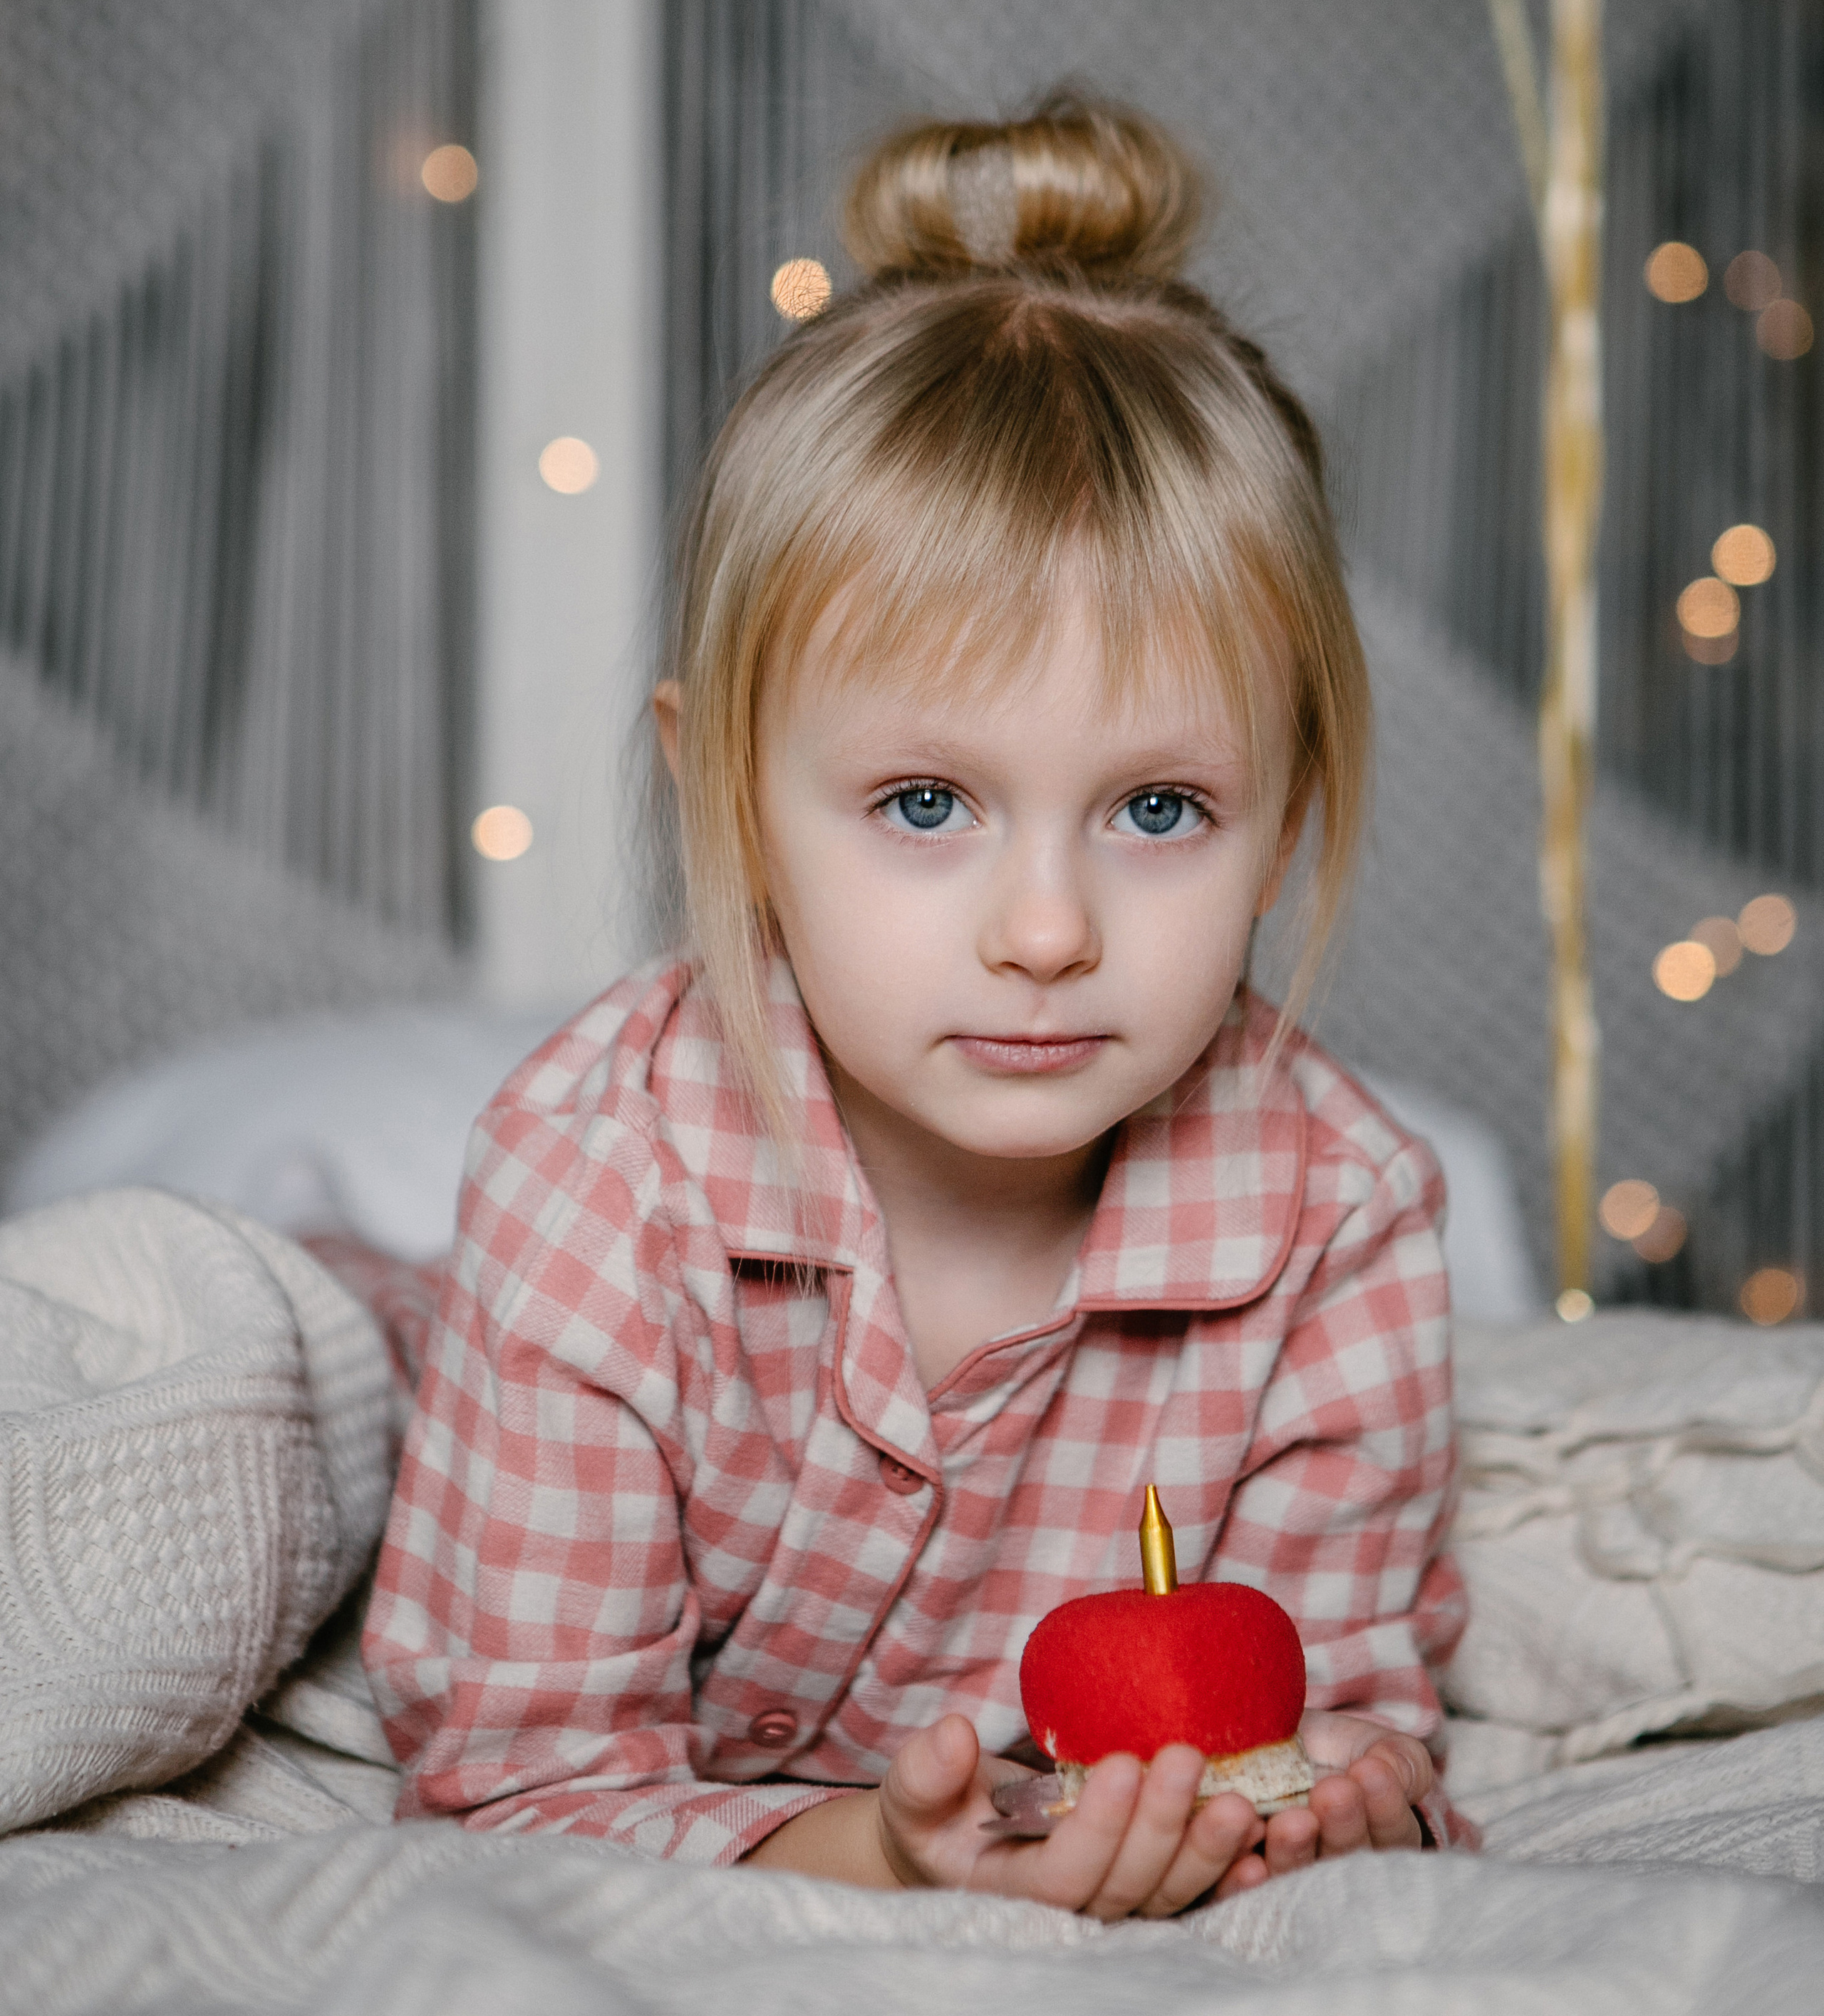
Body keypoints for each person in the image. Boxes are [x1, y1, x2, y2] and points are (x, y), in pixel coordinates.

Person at [364, 95, 1467, 1917]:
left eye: (1159, 809)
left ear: (1287, 821)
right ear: (727, 795)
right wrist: (877, 1853)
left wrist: (1320, 1808)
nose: (1046, 930)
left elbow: (1344, 1708)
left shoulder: (1338, 1219)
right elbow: (516, 1772)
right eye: (926, 805)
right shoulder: (596, 1188)